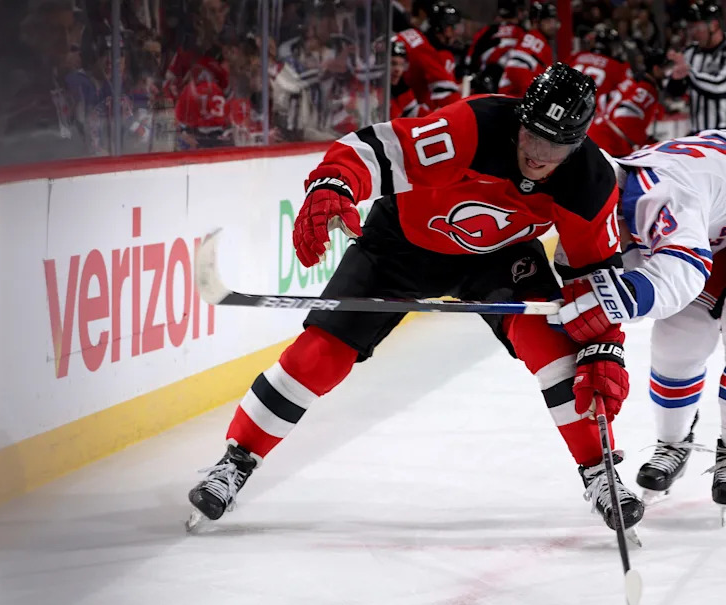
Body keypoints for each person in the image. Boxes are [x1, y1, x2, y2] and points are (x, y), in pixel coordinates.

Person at [187, 64, 645, 532]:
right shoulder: (474, 127)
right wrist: (334, 183)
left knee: (558, 352)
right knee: (320, 355)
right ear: (521, 118)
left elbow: (594, 281)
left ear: (579, 142)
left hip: (498, 257)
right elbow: (372, 149)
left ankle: (599, 472)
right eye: (532, 136)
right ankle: (236, 460)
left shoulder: (589, 183)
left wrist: (604, 346)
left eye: (554, 146)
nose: (537, 155)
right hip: (399, 243)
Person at [557, 109, 726, 514]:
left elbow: (677, 275)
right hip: (720, 222)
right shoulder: (626, 188)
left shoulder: (663, 192)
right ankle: (673, 443)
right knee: (677, 333)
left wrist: (612, 303)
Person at [666, 2, 726, 132]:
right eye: (690, 28)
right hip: (698, 131)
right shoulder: (690, 52)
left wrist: (689, 73)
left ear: (714, 25)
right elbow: (674, 92)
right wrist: (676, 78)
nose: (693, 34)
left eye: (697, 28)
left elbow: (722, 86)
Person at [587, 45, 668, 157]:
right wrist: (642, 143)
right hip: (609, 143)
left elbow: (603, 100)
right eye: (665, 68)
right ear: (656, 69)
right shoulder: (647, 89)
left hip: (595, 133)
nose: (667, 73)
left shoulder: (632, 81)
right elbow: (624, 112)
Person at [394, 2, 461, 110]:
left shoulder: (411, 33)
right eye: (453, 28)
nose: (455, 33)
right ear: (445, 29)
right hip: (391, 103)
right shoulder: (427, 51)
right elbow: (448, 96)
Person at [498, 2, 559, 97]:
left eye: (553, 21)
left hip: (514, 98)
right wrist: (533, 95)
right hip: (512, 100)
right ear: (536, 22)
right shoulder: (534, 40)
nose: (552, 25)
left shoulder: (540, 41)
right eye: (547, 21)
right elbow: (515, 67)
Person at [465, 0, 525, 94]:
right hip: (508, 82)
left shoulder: (487, 31)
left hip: (486, 79)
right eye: (521, 10)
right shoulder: (522, 33)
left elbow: (470, 58)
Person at [569, 27, 632, 114]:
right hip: (591, 114)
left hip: (564, 103)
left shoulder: (578, 56)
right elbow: (628, 92)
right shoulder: (618, 66)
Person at [389, 39, 421, 118]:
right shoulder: (369, 89)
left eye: (401, 65)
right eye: (393, 63)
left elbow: (417, 114)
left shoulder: (403, 89)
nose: (398, 70)